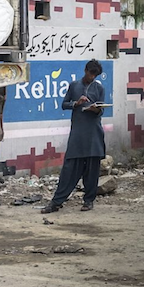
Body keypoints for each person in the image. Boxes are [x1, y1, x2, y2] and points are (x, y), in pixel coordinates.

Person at [41, 59, 106, 213]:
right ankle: (57, 202)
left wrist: (95, 108)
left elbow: (102, 109)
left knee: (92, 170)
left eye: (95, 75)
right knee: (69, 169)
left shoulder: (99, 88)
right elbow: (64, 104)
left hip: (93, 134)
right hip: (77, 133)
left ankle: (88, 201)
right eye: (91, 74)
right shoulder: (74, 86)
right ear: (85, 70)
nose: (92, 77)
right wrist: (76, 104)